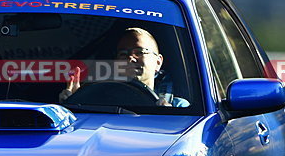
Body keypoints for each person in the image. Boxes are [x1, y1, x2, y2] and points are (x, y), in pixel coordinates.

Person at [60, 27, 189, 107]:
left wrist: (169, 118)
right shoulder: (99, 103)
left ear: (158, 62)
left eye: (139, 52)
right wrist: (75, 103)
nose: (130, 58)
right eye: (123, 54)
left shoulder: (178, 107)